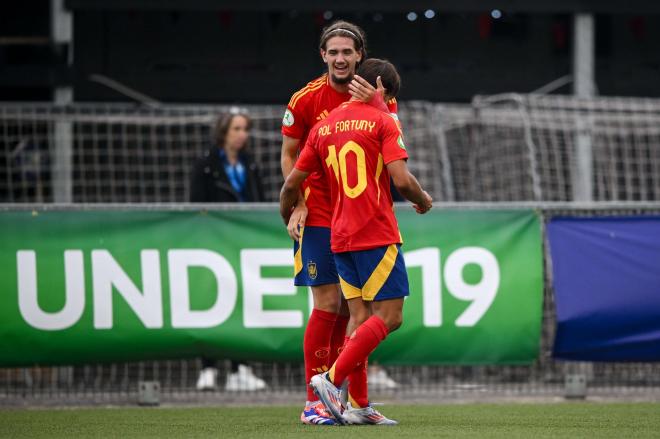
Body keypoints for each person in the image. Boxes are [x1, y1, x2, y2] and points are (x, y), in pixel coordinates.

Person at [280, 59, 433, 425]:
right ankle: (331, 381)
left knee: (358, 317)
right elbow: (402, 179)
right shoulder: (384, 120)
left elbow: (290, 184)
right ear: (381, 89)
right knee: (390, 317)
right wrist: (423, 200)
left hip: (337, 233)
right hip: (375, 231)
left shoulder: (323, 127)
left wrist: (292, 211)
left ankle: (359, 405)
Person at [190, 112, 267, 392]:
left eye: (245, 128)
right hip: (213, 244)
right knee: (211, 301)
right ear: (224, 131)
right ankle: (208, 367)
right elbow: (195, 207)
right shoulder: (206, 165)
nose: (242, 134)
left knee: (244, 300)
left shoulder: (251, 165)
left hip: (244, 244)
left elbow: (259, 201)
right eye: (237, 128)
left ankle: (240, 367)